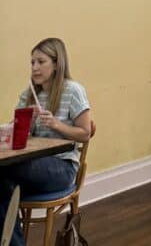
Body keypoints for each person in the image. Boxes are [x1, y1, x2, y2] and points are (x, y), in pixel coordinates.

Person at [0, 38, 92, 246]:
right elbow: (17, 133)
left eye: (41, 62)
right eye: (32, 62)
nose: (35, 67)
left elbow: (85, 133)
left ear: (57, 63)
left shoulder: (73, 91)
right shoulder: (29, 94)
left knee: (6, 171)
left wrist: (56, 124)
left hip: (62, 167)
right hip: (30, 168)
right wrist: (23, 123)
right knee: (1, 184)